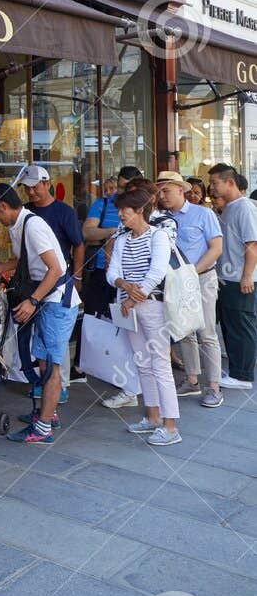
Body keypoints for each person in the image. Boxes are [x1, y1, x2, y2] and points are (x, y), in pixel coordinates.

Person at [0, 182, 79, 444]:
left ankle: (43, 427)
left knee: (51, 367)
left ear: (3, 206)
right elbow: (24, 260)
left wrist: (33, 301)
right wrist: (1, 266)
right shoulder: (18, 225)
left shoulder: (32, 226)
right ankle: (50, 414)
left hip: (56, 301)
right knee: (44, 362)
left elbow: (56, 269)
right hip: (46, 299)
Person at [106, 185, 179, 446]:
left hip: (151, 306)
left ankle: (171, 426)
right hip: (129, 307)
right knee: (142, 363)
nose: (121, 215)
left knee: (160, 364)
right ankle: (153, 417)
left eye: (124, 210)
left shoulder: (158, 236)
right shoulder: (123, 239)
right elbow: (111, 272)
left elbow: (157, 271)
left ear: (139, 210)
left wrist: (132, 298)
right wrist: (125, 288)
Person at [155, 170, 223, 407]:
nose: (162, 195)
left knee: (206, 333)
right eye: (159, 191)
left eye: (166, 190)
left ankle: (214, 386)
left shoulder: (202, 214)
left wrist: (192, 273)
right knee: (183, 331)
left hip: (202, 277)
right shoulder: (159, 218)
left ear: (180, 190)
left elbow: (216, 248)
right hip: (175, 281)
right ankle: (192, 379)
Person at [18, 163, 85, 383]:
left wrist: (77, 276)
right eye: (26, 188)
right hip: (34, 281)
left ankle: (60, 383)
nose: (30, 192)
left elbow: (78, 245)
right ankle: (43, 383)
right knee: (40, 340)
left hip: (59, 279)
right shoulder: (26, 212)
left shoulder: (64, 211)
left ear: (47, 184)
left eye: (35, 187)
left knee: (55, 340)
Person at [84, 167, 141, 409]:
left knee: (129, 332)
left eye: (127, 189)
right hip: (103, 275)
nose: (121, 193)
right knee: (101, 323)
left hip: (134, 283)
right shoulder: (104, 204)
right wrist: (114, 232)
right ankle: (106, 369)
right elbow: (87, 232)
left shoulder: (147, 214)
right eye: (120, 187)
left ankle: (130, 386)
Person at [208, 164, 257, 390]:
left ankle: (243, 376)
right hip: (227, 277)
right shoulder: (228, 208)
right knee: (231, 325)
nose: (212, 188)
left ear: (230, 182)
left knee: (241, 326)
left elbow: (252, 244)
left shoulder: (244, 207)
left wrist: (247, 276)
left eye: (215, 183)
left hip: (240, 278)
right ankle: (237, 369)